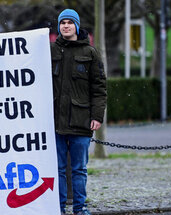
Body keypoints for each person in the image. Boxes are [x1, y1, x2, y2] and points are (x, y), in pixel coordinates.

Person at [51, 9, 107, 215]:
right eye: (62, 23)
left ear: (77, 25)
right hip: (54, 121)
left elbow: (99, 88)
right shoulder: (50, 51)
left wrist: (97, 116)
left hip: (81, 120)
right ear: (59, 26)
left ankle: (80, 208)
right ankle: (57, 208)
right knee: (57, 170)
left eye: (69, 22)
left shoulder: (90, 53)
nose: (66, 26)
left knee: (79, 170)